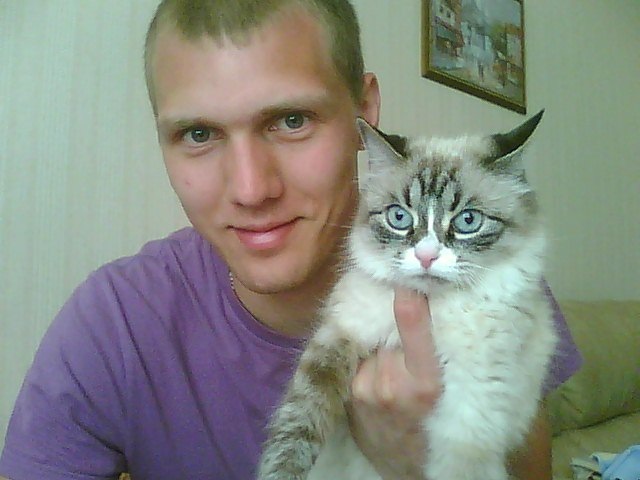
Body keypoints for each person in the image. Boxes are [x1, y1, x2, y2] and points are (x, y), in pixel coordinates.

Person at [0, 1, 581, 479]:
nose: (251, 189)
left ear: (365, 115)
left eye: (291, 120)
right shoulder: (111, 325)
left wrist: (413, 467)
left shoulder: (489, 274)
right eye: (198, 133)